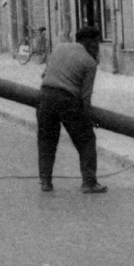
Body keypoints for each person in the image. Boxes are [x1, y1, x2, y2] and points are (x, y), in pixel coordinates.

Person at [36, 25, 106, 194]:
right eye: (96, 43)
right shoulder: (89, 62)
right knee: (86, 140)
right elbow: (85, 98)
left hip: (45, 96)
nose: (97, 47)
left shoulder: (59, 48)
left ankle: (45, 181)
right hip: (68, 100)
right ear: (88, 42)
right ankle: (89, 183)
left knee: (47, 141)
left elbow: (44, 75)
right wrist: (90, 120)